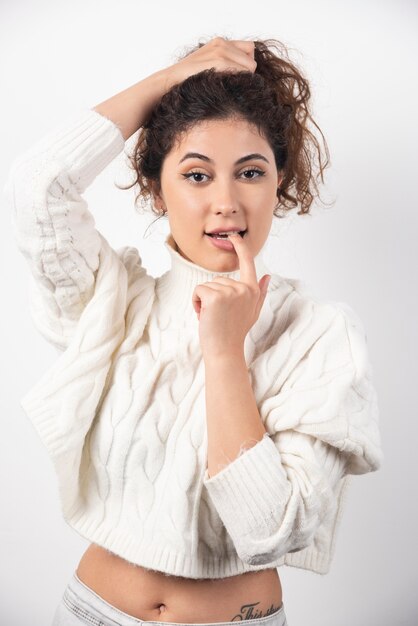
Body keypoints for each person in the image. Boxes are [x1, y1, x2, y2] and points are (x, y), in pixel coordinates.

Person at [5, 36, 383, 626]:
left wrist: (225, 351)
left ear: (278, 184)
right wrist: (173, 76)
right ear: (157, 190)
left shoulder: (320, 335)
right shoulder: (115, 299)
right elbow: (36, 189)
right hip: (89, 612)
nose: (226, 202)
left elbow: (268, 532)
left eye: (250, 172)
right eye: (197, 174)